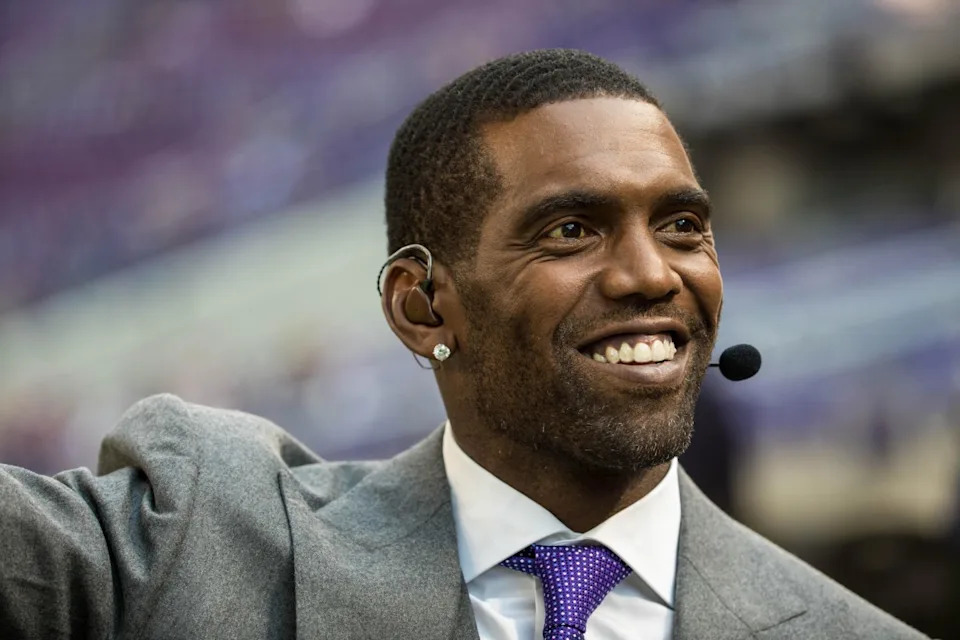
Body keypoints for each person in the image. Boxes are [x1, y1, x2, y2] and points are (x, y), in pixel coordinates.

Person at [0, 49, 927, 640]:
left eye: (683, 225)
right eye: (571, 230)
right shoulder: (197, 548)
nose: (653, 274)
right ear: (422, 309)